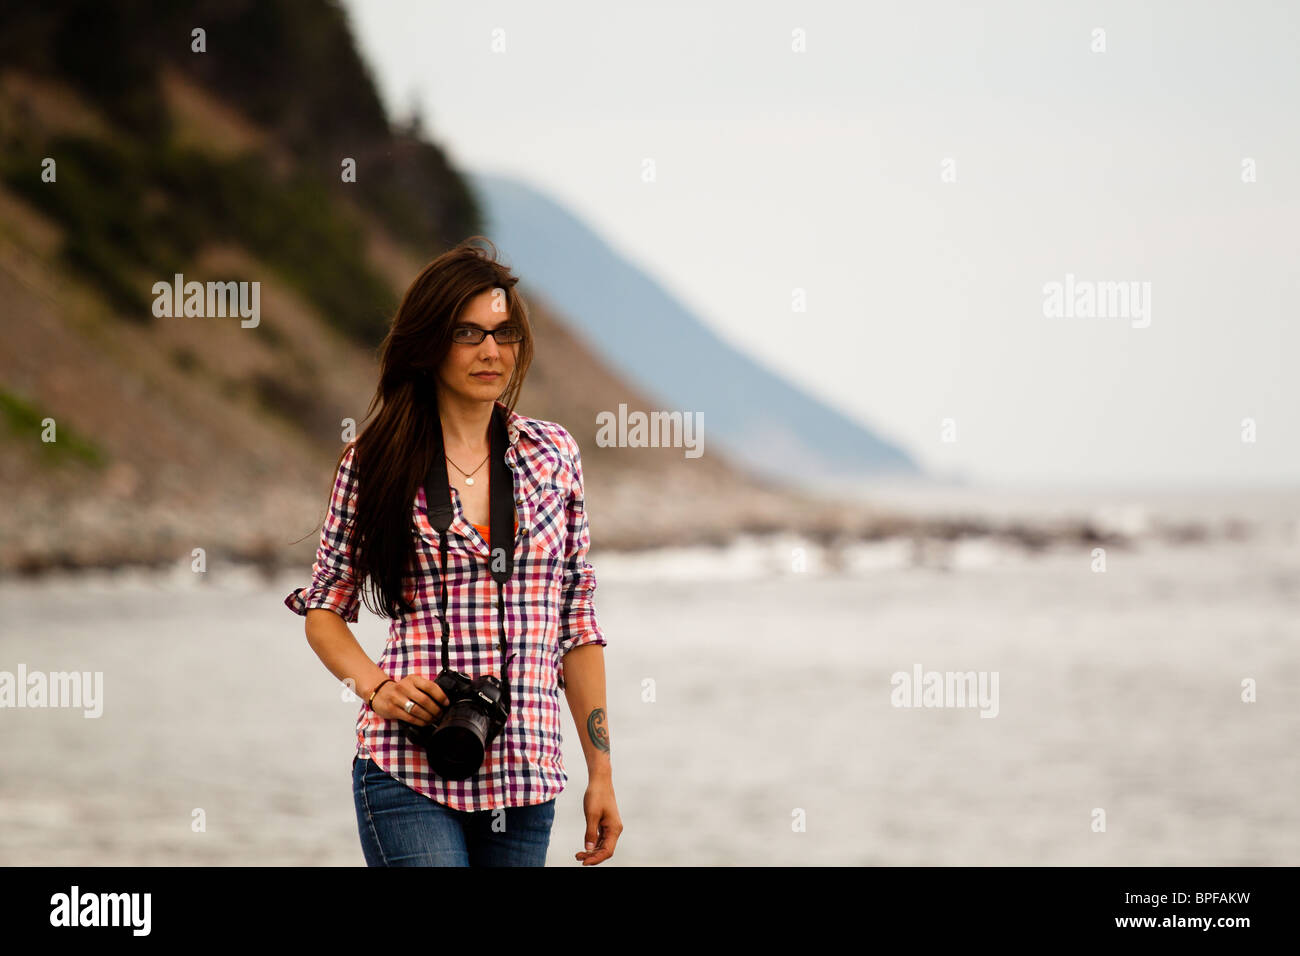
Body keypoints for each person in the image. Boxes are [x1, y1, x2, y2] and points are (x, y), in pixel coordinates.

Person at [284, 237, 622, 866]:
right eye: (468, 333)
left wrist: (600, 772)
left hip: (525, 777)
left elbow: (577, 625)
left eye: (504, 334)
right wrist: (376, 687)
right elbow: (324, 608)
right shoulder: (374, 462)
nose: (491, 351)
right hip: (408, 766)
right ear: (430, 342)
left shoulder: (554, 457)